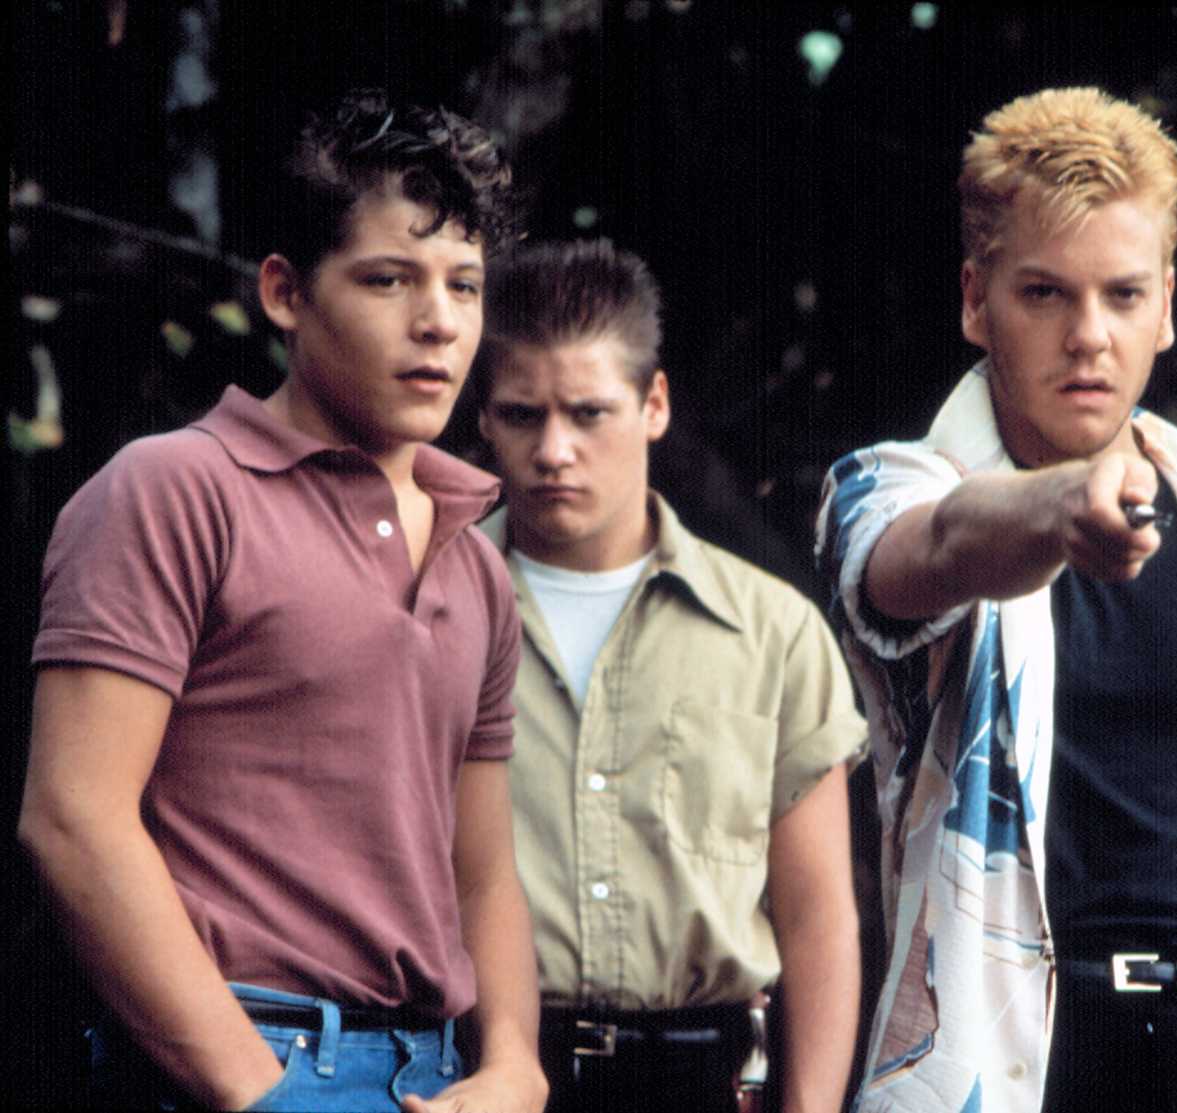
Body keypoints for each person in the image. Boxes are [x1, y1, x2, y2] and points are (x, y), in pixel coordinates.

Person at [817, 87, 1177, 1113]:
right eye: (1045, 294)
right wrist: (1062, 512)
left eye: (1122, 295)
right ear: (974, 299)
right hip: (1026, 1058)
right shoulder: (889, 488)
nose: (1089, 336)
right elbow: (938, 550)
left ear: (1166, 306)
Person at [19, 89, 547, 1113]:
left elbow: (481, 871)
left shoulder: (477, 559)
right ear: (285, 293)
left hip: (437, 1077)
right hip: (229, 1063)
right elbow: (73, 818)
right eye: (389, 279)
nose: (438, 321)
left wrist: (515, 1065)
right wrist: (263, 1095)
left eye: (465, 285)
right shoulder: (175, 489)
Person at [472, 239, 866, 1113]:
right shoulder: (433, 611)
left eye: (588, 412)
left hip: (703, 1073)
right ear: (485, 421)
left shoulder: (770, 632)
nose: (554, 450)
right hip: (487, 1070)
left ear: (654, 404)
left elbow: (819, 917)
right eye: (522, 415)